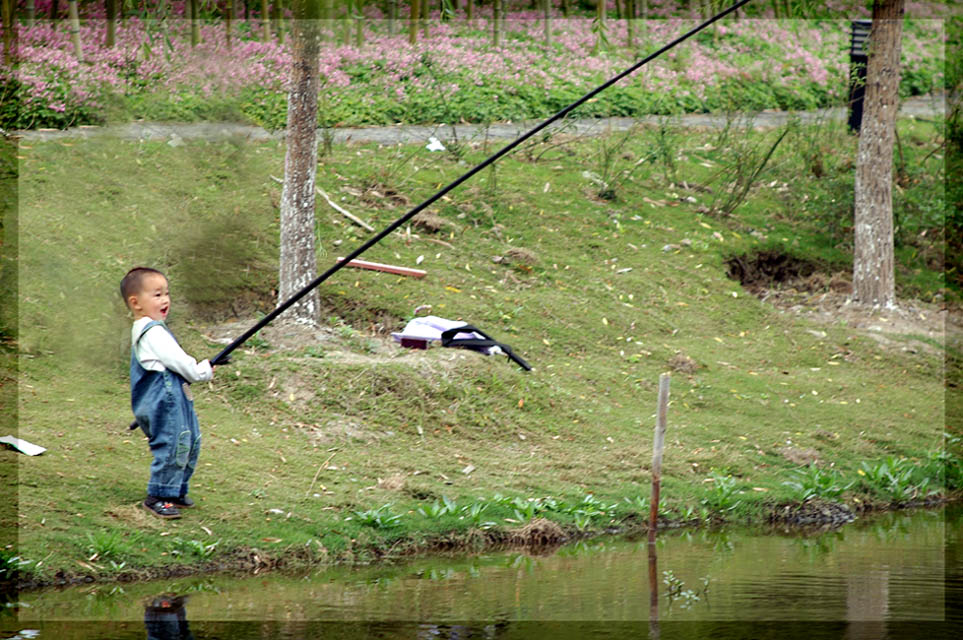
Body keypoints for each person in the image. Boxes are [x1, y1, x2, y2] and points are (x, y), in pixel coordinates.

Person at [120, 267, 213, 519]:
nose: (165, 300)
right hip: (163, 401)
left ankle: (175, 490)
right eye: (157, 294)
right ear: (136, 303)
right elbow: (181, 363)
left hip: (176, 398)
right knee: (173, 443)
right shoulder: (153, 332)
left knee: (189, 440)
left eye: (166, 294)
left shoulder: (153, 329)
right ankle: (158, 495)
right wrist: (202, 371)